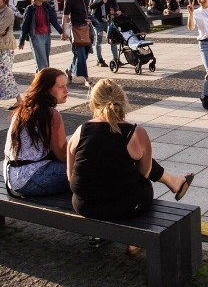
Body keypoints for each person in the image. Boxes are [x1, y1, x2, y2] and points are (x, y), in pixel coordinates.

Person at [67, 78, 193, 226]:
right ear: (122, 100)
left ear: (94, 103)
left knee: (115, 157)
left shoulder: (80, 131)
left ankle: (174, 182)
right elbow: (145, 174)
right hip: (127, 207)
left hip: (85, 206)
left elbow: (70, 176)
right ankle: (136, 240)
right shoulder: (136, 132)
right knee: (134, 162)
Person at [3, 68, 70, 197]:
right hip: (31, 178)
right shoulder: (51, 114)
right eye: (61, 87)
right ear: (46, 89)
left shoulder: (24, 108)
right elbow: (63, 155)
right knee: (88, 171)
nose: (66, 90)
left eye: (66, 85)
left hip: (11, 176)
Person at [19, 0, 63, 72]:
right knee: (43, 63)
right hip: (36, 36)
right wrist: (21, 41)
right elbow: (25, 26)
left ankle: (38, 82)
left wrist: (61, 31)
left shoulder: (46, 6)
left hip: (46, 35)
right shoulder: (30, 9)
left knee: (44, 60)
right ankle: (44, 82)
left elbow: (53, 20)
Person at [62, 0, 92, 88]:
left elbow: (86, 14)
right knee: (81, 55)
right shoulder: (69, 0)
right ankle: (86, 78)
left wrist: (89, 20)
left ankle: (69, 71)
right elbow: (65, 17)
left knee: (82, 55)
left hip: (85, 29)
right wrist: (63, 31)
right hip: (75, 29)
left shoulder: (84, 0)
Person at [88, 0, 118, 67]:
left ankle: (100, 59)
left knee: (100, 41)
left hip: (100, 20)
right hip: (103, 20)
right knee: (110, 39)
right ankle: (114, 58)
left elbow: (91, 6)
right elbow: (92, 5)